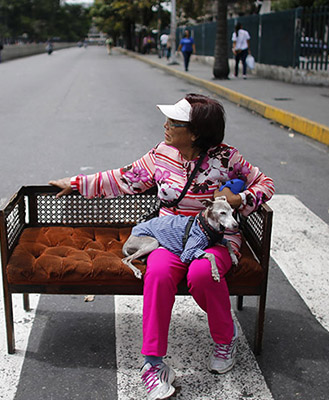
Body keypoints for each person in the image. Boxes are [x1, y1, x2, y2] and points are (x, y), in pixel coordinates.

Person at [49, 94, 275, 400]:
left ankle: (226, 338)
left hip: (214, 239)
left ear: (195, 133)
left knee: (202, 274)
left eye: (174, 122)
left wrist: (238, 199)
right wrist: (76, 183)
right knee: (157, 274)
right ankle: (153, 364)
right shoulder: (162, 154)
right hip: (170, 235)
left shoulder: (227, 159)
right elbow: (124, 178)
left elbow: (265, 184)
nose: (165, 126)